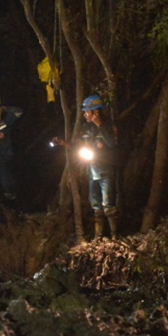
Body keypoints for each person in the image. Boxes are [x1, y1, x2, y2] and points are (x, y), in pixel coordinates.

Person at [53, 94, 118, 239]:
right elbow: (79, 145)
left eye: (87, 111)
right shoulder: (86, 127)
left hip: (106, 170)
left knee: (108, 205)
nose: (84, 114)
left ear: (96, 112)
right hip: (92, 170)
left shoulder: (108, 125)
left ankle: (114, 236)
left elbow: (112, 144)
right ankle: (98, 236)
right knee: (95, 205)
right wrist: (64, 143)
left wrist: (100, 125)